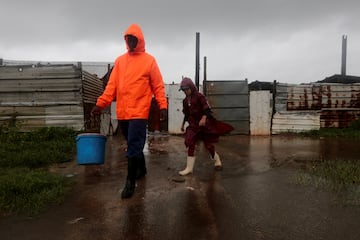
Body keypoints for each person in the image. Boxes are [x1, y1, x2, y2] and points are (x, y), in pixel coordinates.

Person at [91, 23, 168, 199]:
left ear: (140, 40)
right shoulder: (120, 61)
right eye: (128, 39)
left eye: (134, 39)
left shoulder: (149, 61)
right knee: (132, 143)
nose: (131, 42)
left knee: (133, 145)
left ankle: (130, 182)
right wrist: (101, 104)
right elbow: (111, 87)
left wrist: (162, 105)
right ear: (125, 41)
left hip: (140, 112)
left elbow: (158, 85)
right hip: (123, 112)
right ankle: (142, 168)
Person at [178, 77, 234, 176]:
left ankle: (217, 160)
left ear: (191, 87)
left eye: (187, 89)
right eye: (184, 90)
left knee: (208, 145)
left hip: (204, 124)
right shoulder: (185, 101)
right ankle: (189, 168)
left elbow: (207, 109)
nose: (185, 92)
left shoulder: (200, 96)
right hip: (193, 125)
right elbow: (186, 114)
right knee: (190, 142)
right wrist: (183, 124)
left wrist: (204, 118)